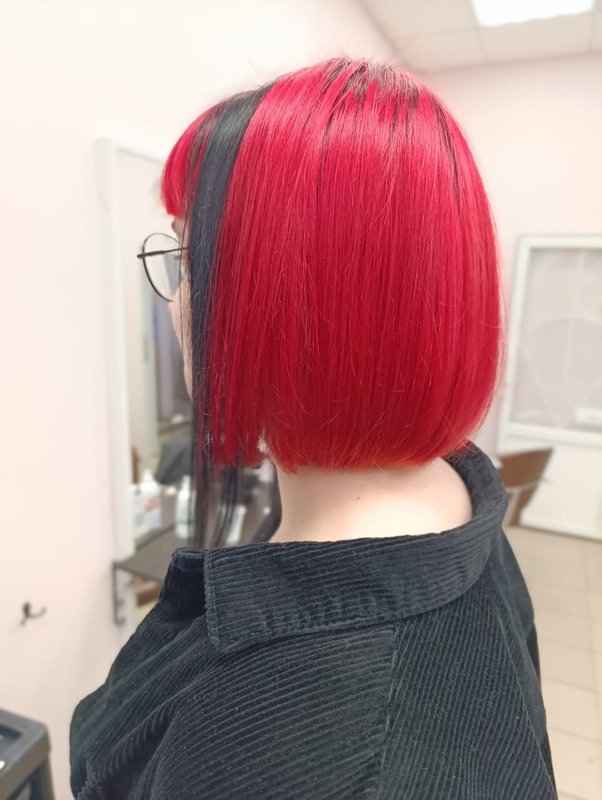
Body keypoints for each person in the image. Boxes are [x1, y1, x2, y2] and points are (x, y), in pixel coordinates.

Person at [70, 58, 558, 799]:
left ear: (281, 298)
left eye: (186, 258)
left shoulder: (269, 746)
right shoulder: (464, 506)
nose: (174, 303)